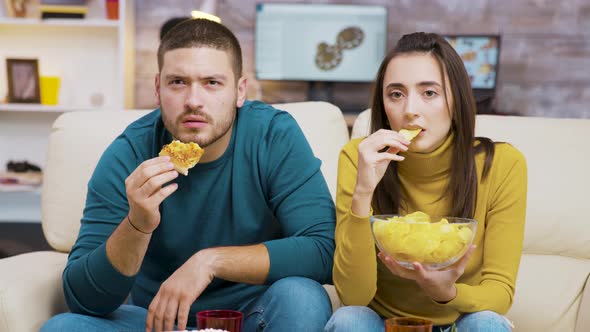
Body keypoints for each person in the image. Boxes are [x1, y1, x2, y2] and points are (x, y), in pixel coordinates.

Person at [41, 18, 335, 332]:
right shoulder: (129, 153)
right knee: (63, 327)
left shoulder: (273, 136)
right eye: (178, 82)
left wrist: (210, 262)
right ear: (157, 89)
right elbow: (84, 300)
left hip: (253, 318)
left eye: (212, 83)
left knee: (302, 298)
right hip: (156, 322)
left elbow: (324, 249)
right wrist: (137, 225)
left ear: (239, 91)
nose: (193, 101)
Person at [326, 32, 527, 332]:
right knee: (348, 320)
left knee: (487, 324)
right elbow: (354, 296)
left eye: (429, 93)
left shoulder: (502, 165)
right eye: (396, 94)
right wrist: (364, 192)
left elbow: (499, 294)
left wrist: (447, 293)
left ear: (455, 99)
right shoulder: (359, 158)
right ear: (383, 104)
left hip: (459, 320)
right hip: (383, 324)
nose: (410, 110)